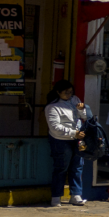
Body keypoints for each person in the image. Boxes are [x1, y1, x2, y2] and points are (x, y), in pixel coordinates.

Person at [44, 79, 89, 208]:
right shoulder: (52, 107)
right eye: (66, 92)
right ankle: (56, 196)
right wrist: (73, 132)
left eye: (71, 92)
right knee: (61, 168)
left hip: (77, 139)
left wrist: (81, 110)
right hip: (61, 140)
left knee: (77, 166)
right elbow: (55, 127)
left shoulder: (75, 100)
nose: (69, 95)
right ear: (58, 92)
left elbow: (84, 117)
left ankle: (76, 195)